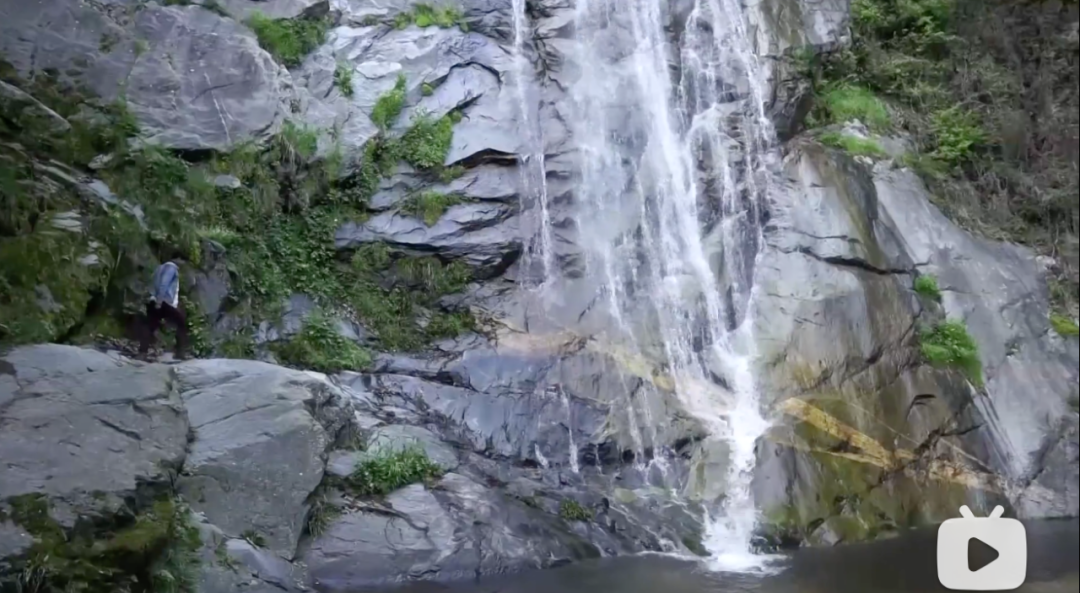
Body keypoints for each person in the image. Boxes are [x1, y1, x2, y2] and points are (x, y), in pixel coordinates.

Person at [139, 260, 187, 360]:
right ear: (178, 259)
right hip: (164, 302)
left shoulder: (159, 268)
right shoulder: (171, 268)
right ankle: (180, 353)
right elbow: (164, 284)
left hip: (154, 300)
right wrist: (160, 301)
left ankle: (142, 353)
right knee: (181, 323)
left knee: (150, 325)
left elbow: (152, 284)